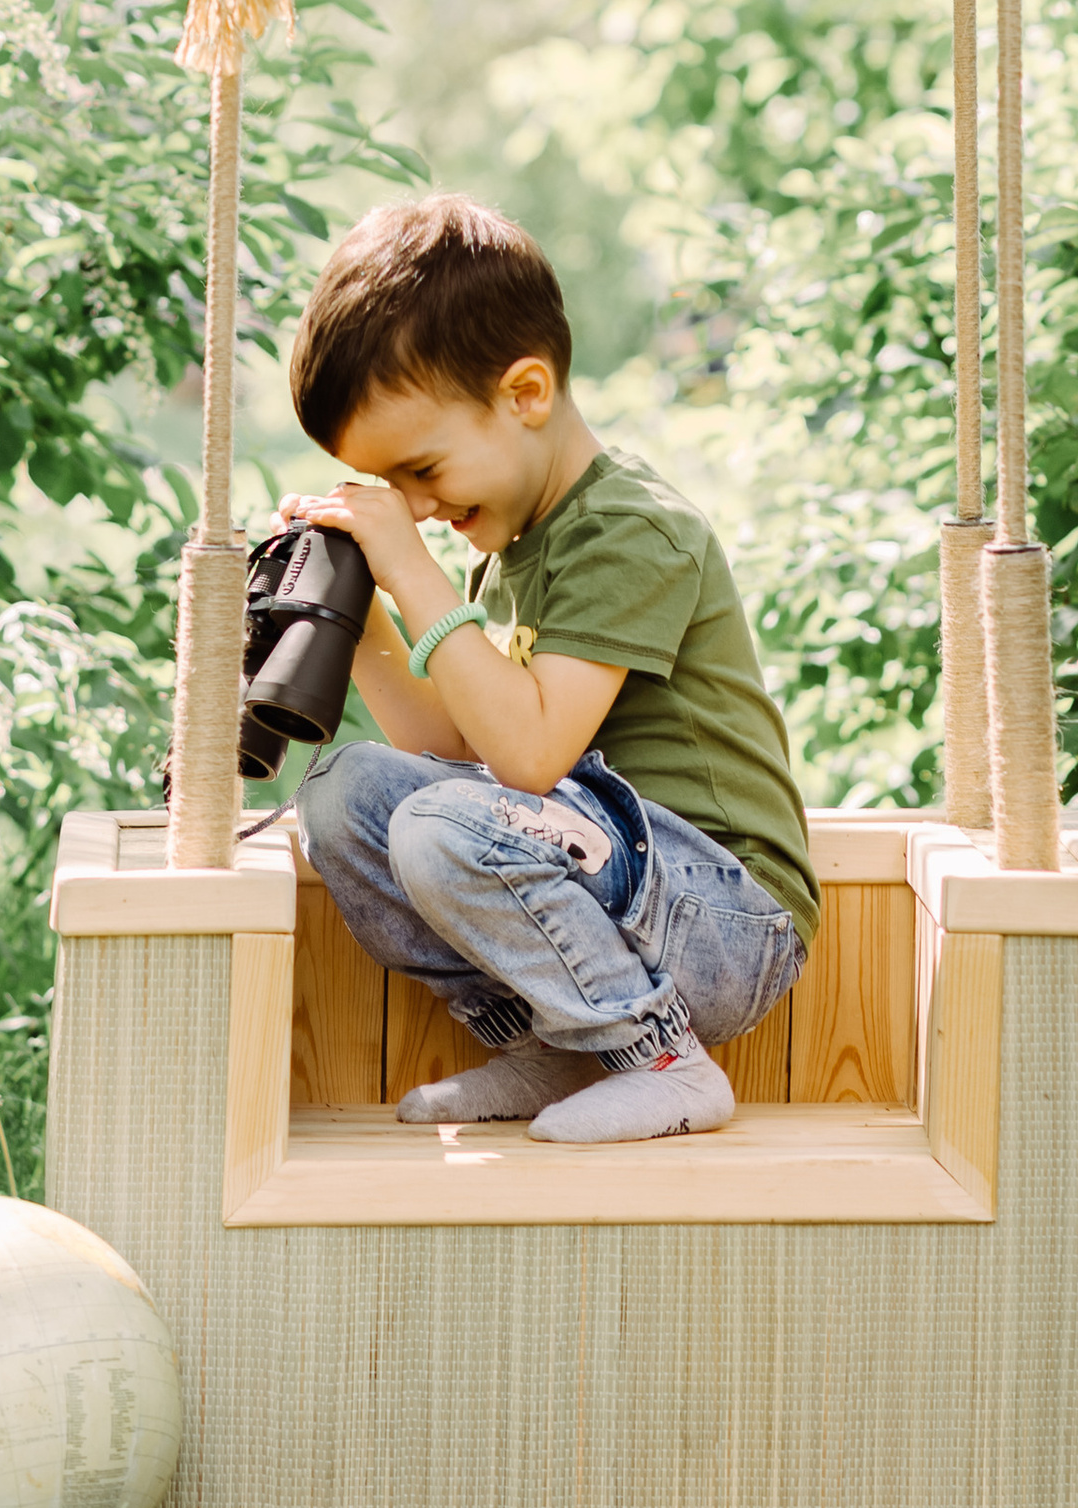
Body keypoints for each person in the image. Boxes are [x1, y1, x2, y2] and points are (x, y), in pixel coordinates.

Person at [281, 194, 818, 1145]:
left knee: (443, 820)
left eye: (423, 472)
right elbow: (452, 741)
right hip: (616, 898)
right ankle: (554, 1046)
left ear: (526, 394)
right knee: (345, 793)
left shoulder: (630, 531)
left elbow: (527, 758)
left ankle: (664, 1062)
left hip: (725, 921)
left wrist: (414, 566)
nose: (414, 508)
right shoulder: (510, 543)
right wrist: (355, 608)